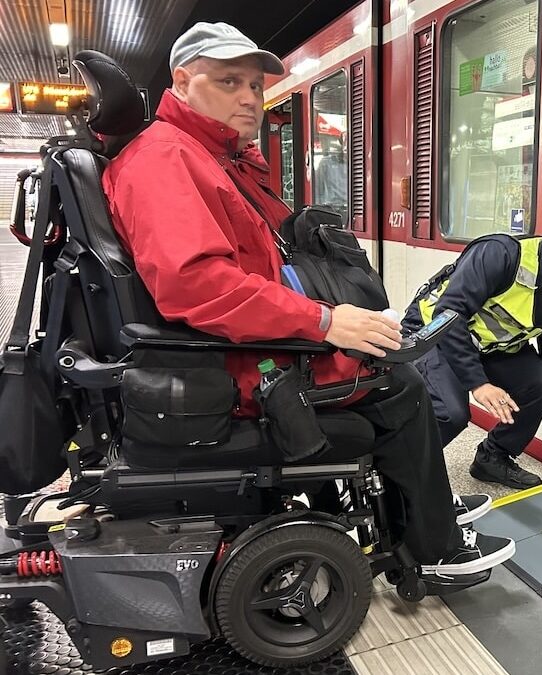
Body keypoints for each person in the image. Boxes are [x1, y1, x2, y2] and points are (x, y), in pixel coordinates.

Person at [101, 22, 513, 581]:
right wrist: (325, 321)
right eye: (229, 81)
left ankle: (421, 512)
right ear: (183, 80)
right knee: (401, 389)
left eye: (254, 84)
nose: (249, 97)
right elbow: (197, 286)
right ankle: (432, 545)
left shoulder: (215, 156)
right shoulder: (166, 160)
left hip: (245, 346)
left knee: (385, 358)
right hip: (238, 365)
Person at [404, 217, 542, 489]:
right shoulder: (501, 255)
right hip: (433, 333)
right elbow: (450, 315)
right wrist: (479, 384)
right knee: (451, 412)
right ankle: (400, 472)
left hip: (489, 347)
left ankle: (492, 458)